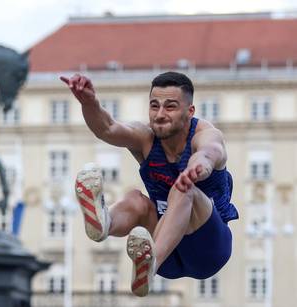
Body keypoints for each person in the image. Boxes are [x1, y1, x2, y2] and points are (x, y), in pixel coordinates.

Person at [60, 71, 239, 297]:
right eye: (154, 106)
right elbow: (107, 128)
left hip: (208, 250)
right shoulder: (145, 137)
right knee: (136, 199)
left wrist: (198, 168)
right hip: (168, 250)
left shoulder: (204, 133)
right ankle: (105, 222)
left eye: (170, 107)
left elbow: (210, 151)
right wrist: (89, 102)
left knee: (184, 189)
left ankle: (150, 264)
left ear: (190, 111)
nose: (160, 114)